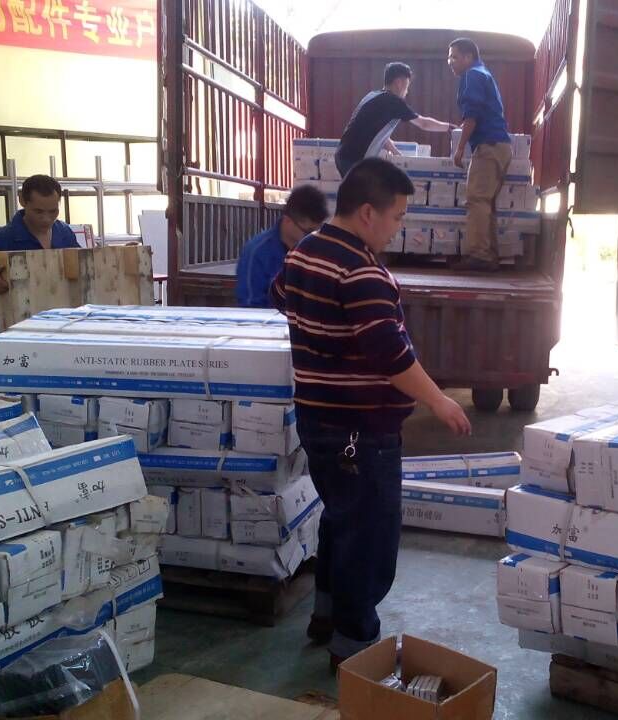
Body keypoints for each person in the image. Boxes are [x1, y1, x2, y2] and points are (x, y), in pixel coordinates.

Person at [272, 157, 472, 667]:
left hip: (317, 421)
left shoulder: (304, 251)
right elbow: (391, 355)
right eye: (397, 216)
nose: (397, 227)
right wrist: (438, 399)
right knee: (370, 537)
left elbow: (281, 296)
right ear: (367, 212)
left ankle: (325, 615)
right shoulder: (361, 271)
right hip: (359, 432)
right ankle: (354, 646)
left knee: (341, 518)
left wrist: (326, 344)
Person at [0, 174, 79, 297]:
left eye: (53, 211)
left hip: (65, 310)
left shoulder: (65, 233)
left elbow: (82, 262)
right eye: (38, 211)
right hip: (20, 311)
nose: (46, 219)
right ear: (22, 200)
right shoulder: (3, 239)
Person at [447, 37, 513, 273]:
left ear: (468, 57)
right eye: (449, 57)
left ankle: (479, 256)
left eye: (454, 56)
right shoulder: (484, 74)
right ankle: (489, 255)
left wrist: (460, 148)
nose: (450, 62)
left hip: (488, 145)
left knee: (476, 199)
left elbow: (472, 115)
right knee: (486, 202)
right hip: (500, 146)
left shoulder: (472, 75)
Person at [334, 62, 455, 177]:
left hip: (343, 155)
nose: (407, 91)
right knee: (367, 190)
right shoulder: (393, 102)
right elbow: (423, 123)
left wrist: (397, 154)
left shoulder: (373, 95)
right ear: (399, 83)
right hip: (354, 160)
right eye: (407, 86)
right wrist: (450, 128)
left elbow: (380, 135)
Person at [234, 185, 329, 307]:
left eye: (318, 232)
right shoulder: (256, 253)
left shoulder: (321, 250)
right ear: (288, 221)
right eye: (308, 232)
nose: (314, 238)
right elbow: (251, 306)